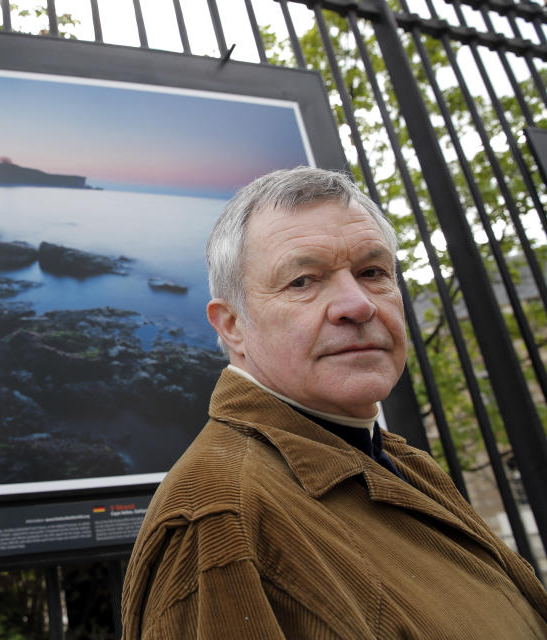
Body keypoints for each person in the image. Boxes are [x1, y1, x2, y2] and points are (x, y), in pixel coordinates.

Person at [121, 166, 547, 639]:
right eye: (303, 280)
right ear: (232, 326)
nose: (358, 304)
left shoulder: (396, 460)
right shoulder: (222, 522)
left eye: (372, 272)